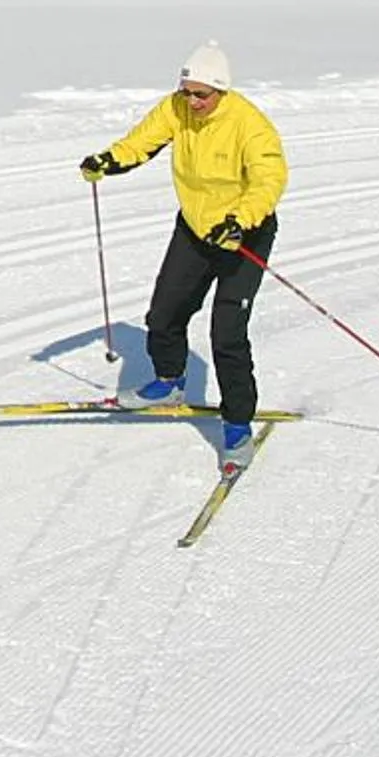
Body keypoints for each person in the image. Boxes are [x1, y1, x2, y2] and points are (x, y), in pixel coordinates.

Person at [80, 41, 290, 463]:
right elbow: (141, 141)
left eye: (201, 95)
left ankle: (237, 427)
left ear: (221, 91)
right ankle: (169, 381)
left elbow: (269, 180)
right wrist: (108, 160)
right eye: (187, 92)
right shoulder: (176, 108)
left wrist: (239, 220)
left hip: (242, 234)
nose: (192, 102)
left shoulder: (250, 125)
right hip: (195, 228)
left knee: (227, 334)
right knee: (164, 314)